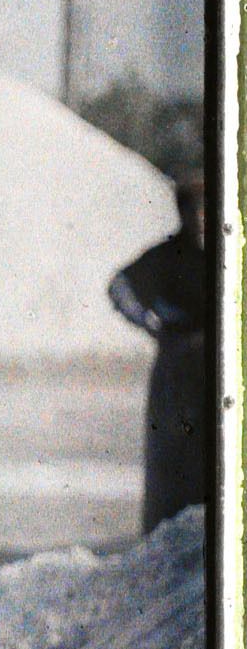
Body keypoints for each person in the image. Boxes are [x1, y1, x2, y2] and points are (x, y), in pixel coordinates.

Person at [108, 170, 210, 531]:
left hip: (217, 372)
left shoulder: (228, 250)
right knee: (173, 460)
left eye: (205, 209)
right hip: (177, 373)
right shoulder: (168, 255)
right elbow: (120, 287)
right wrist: (150, 324)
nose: (199, 218)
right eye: (192, 209)